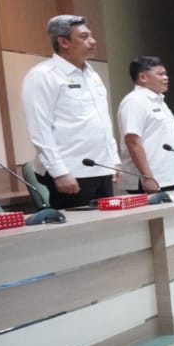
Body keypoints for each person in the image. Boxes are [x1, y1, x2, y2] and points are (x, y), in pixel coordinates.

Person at [23, 15, 121, 209]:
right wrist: (59, 172)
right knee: (82, 227)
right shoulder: (43, 75)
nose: (93, 41)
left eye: (91, 35)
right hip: (71, 172)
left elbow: (103, 121)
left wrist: (113, 160)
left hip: (100, 168)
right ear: (63, 42)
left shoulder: (92, 75)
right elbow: (39, 129)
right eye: (84, 37)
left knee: (108, 225)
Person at [117, 56, 174, 193]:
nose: (166, 78)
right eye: (160, 74)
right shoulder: (134, 101)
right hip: (148, 180)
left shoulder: (160, 102)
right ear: (143, 77)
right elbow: (132, 141)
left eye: (165, 74)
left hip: (169, 178)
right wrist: (147, 177)